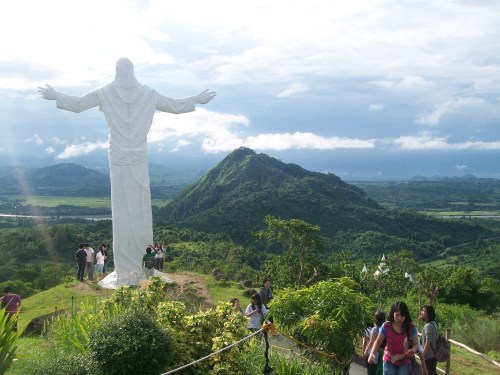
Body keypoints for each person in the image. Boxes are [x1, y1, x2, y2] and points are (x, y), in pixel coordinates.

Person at [38, 58, 216, 287]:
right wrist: (196, 100)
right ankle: (132, 267)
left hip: (123, 156)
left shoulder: (108, 91)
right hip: (133, 156)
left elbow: (79, 103)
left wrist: (56, 95)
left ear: (117, 71)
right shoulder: (146, 93)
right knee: (135, 206)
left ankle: (135, 267)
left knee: (127, 207)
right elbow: (175, 105)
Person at [368, 301, 418, 375]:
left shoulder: (411, 327)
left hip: (404, 362)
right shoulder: (386, 326)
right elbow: (378, 341)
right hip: (389, 361)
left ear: (406, 315)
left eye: (402, 315)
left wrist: (412, 350)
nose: (400, 318)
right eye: (397, 315)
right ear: (392, 314)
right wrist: (372, 353)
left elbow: (416, 344)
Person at [365, 310, 386, 375]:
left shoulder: (375, 329)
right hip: (382, 353)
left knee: (371, 371)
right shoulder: (385, 328)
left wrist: (366, 350)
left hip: (374, 353)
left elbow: (371, 342)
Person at [420, 305, 438, 375]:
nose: (422, 312)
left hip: (429, 355)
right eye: (422, 310)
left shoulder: (428, 326)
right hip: (433, 354)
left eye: (424, 311)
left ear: (428, 313)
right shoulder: (433, 323)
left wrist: (423, 354)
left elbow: (428, 341)